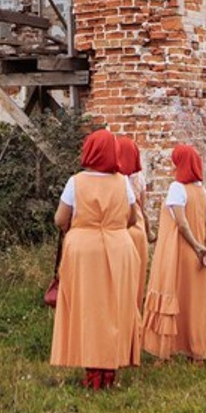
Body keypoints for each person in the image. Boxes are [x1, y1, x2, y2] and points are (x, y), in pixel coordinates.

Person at [50, 128, 142, 390]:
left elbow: (60, 219)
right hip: (118, 247)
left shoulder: (76, 182)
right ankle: (109, 370)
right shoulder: (122, 182)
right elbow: (133, 218)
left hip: (84, 250)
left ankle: (92, 372)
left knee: (89, 309)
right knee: (114, 308)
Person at [142, 144, 206, 361]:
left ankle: (167, 351)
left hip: (179, 251)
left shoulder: (177, 189)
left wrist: (195, 246)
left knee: (173, 294)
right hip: (199, 252)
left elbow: (181, 224)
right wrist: (205, 248)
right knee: (195, 302)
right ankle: (196, 351)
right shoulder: (203, 191)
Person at [115, 133, 151, 310]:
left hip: (121, 230)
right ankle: (136, 320)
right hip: (139, 229)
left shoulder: (115, 180)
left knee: (120, 280)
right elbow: (142, 207)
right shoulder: (139, 179)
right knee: (137, 278)